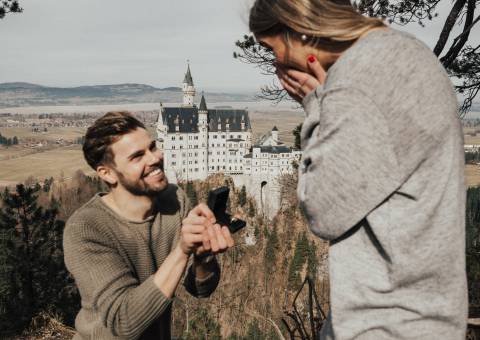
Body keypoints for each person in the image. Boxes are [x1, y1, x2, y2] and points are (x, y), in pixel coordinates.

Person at [249, 0, 467, 339]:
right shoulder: (408, 54)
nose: (276, 65)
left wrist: (315, 107)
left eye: (272, 48)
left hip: (388, 324)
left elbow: (323, 210)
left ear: (300, 30)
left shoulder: (361, 80)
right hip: (426, 313)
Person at [63, 111, 234, 340]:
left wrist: (203, 258)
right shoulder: (87, 228)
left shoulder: (174, 199)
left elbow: (199, 289)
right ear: (107, 174)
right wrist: (182, 250)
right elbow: (124, 323)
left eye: (152, 147)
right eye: (137, 156)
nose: (155, 158)